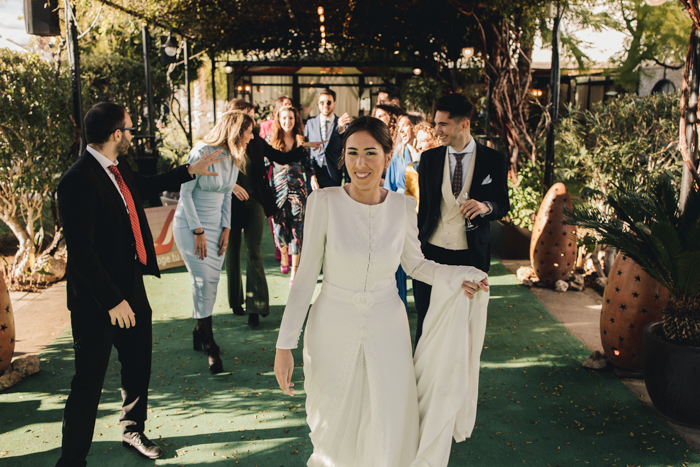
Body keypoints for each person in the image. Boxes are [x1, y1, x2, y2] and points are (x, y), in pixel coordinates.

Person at [274, 116, 490, 467]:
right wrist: (285, 345)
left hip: (388, 325)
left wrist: (459, 276)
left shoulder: (402, 206)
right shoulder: (324, 201)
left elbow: (416, 265)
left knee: (389, 417)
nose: (360, 163)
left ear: (388, 156)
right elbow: (306, 276)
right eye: (352, 153)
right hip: (331, 325)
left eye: (370, 153)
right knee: (332, 418)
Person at [56, 102, 223, 466]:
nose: (133, 134)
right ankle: (71, 460)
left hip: (130, 287)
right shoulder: (77, 179)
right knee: (88, 382)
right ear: (116, 134)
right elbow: (81, 253)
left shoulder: (120, 168)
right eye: (130, 129)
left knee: (136, 364)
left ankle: (133, 429)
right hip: (98, 300)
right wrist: (113, 301)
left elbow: (144, 186)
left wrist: (188, 171)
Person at [174, 111, 322, 372]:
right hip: (190, 225)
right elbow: (185, 195)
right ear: (235, 131)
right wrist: (198, 231)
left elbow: (224, 197)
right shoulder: (201, 152)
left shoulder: (234, 157)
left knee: (210, 282)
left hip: (217, 224)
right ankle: (210, 345)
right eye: (249, 132)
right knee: (203, 282)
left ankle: (200, 329)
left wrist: (226, 228)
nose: (253, 137)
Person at [414, 93, 510, 346]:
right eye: (436, 124)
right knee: (426, 320)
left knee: (463, 325)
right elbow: (425, 211)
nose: (437, 130)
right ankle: (420, 371)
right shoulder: (429, 159)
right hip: (431, 252)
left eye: (443, 124)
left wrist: (485, 206)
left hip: (470, 255)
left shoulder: (494, 160)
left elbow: (503, 205)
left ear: (464, 124)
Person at [224, 99, 306, 328]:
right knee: (232, 253)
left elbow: (281, 157)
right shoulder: (222, 144)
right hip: (229, 205)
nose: (253, 122)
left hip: (254, 203)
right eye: (248, 116)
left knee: (254, 252)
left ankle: (256, 307)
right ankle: (236, 300)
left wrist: (304, 148)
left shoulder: (256, 141)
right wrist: (231, 186)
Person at [266, 105, 313, 286]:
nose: (288, 121)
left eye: (291, 118)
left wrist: (313, 178)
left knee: (297, 230)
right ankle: (284, 254)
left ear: (296, 120)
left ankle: (295, 271)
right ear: (279, 120)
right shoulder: (271, 140)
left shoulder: (302, 140)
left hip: (298, 190)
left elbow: (308, 163)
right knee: (278, 228)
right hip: (277, 192)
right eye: (284, 118)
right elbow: (264, 165)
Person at [304, 88, 350, 190]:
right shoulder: (310, 124)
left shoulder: (343, 125)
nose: (325, 105)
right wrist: (311, 174)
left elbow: (347, 151)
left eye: (329, 102)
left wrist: (341, 129)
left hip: (334, 175)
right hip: (315, 174)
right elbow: (306, 152)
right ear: (318, 103)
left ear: (334, 103)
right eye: (322, 102)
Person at [405, 122, 440, 203]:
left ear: (436, 140)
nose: (418, 146)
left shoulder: (446, 165)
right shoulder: (413, 168)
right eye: (417, 141)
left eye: (423, 141)